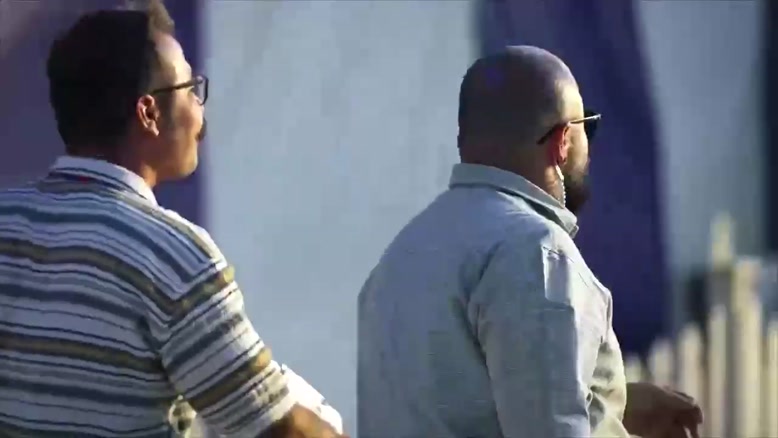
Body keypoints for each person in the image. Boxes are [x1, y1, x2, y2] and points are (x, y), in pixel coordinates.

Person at [0, 2, 344, 437]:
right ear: (149, 113)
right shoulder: (172, 256)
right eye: (191, 90)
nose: (200, 115)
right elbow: (280, 430)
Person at [357, 46, 702, 438]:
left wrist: (613, 404)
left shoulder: (400, 257)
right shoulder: (537, 252)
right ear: (562, 141)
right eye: (586, 127)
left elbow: (460, 400)